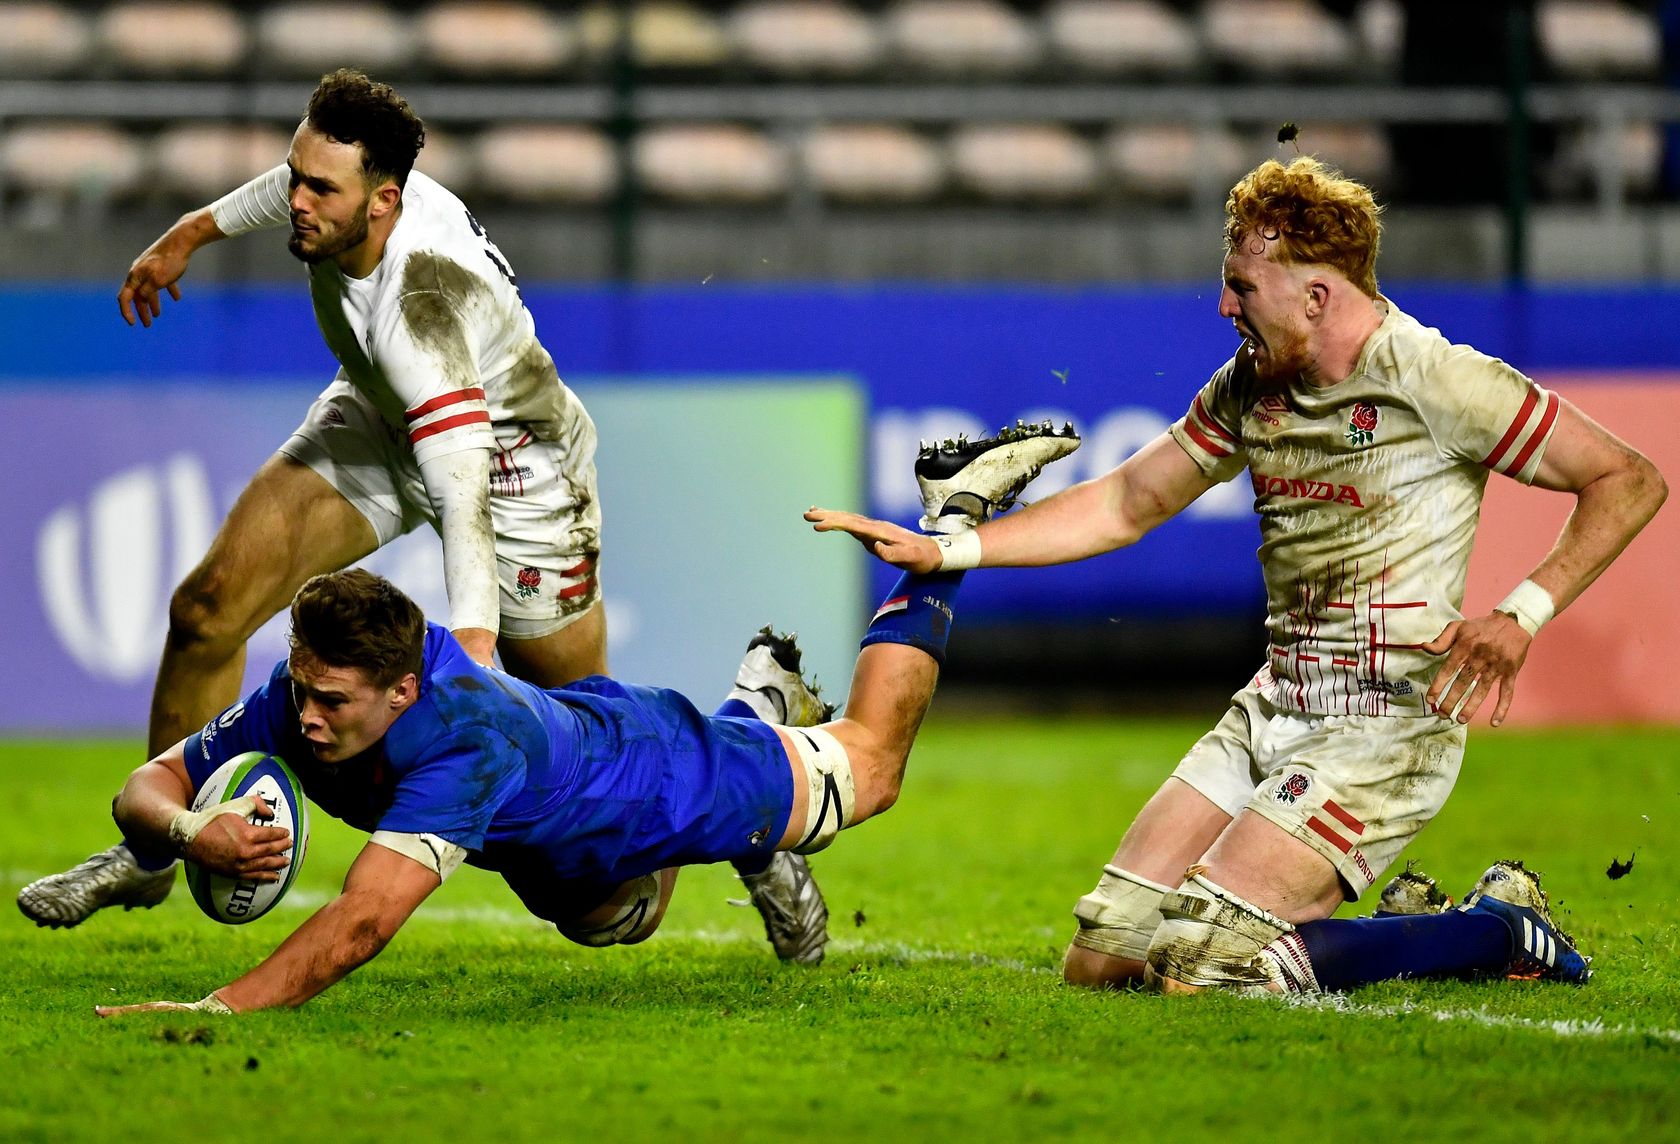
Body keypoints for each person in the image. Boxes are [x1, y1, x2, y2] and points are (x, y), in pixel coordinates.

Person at [808, 156, 1666, 994]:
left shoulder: (1437, 379)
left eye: (1243, 288)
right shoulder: (1250, 384)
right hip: (1274, 705)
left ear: (1317, 295)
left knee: (1201, 966)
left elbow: (1630, 479)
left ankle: (1494, 930)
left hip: (1384, 724)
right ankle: (1389, 927)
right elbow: (1129, 502)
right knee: (1103, 959)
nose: (1224, 305)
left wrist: (1521, 613)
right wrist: (952, 550)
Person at [17, 69, 808, 950]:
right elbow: (282, 189)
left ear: (383, 202)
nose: (296, 202)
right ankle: (153, 853)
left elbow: (463, 489)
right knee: (206, 609)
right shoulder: (352, 193)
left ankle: (750, 800)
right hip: (380, 418)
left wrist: (472, 644)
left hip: (515, 471)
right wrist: (192, 232)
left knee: (597, 810)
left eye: (320, 189)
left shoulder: (419, 308)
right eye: (296, 176)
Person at [91, 426, 1079, 1016]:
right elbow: (146, 786)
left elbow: (356, 925)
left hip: (649, 775)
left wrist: (216, 1007)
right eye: (300, 690)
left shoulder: (459, 746)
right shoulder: (309, 686)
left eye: (330, 702)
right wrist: (189, 829)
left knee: (872, 766)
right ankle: (759, 709)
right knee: (610, 922)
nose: (302, 719)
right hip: (555, 792)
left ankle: (949, 522)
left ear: (401, 693)